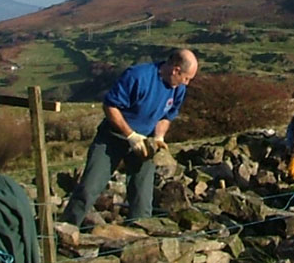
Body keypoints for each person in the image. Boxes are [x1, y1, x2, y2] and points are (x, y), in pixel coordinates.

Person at [63, 49, 198, 227]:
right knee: (89, 187)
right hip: (112, 137)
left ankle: (139, 240)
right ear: (175, 70)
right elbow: (111, 106)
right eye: (186, 78)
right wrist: (130, 135)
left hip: (145, 142)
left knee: (142, 198)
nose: (186, 83)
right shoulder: (138, 76)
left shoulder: (177, 88)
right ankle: (64, 230)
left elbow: (167, 116)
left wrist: (159, 136)